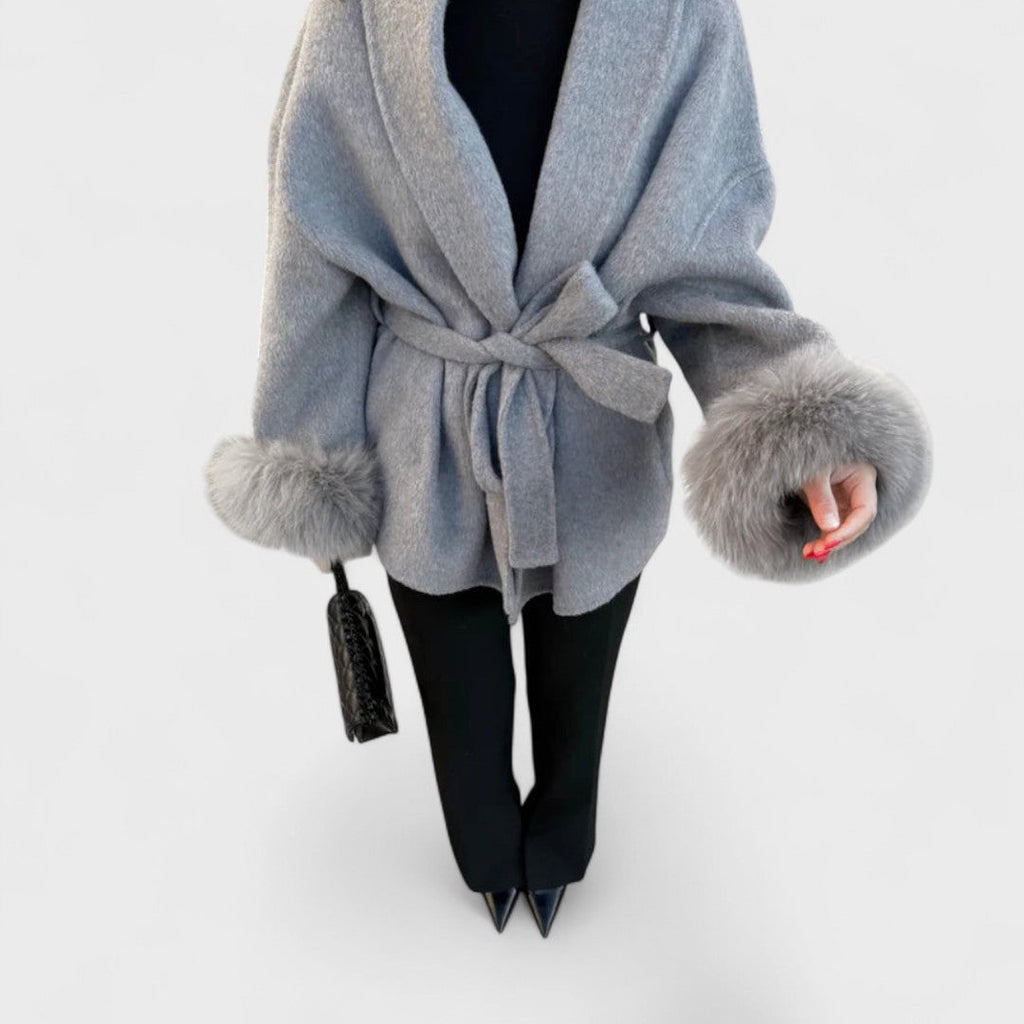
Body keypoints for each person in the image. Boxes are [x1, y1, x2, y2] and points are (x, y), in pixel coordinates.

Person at [204, 0, 933, 938]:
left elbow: (707, 258)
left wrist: (810, 437)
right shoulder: (363, 16)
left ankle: (559, 849)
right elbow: (313, 245)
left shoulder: (683, 16)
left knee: (576, 688)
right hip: (425, 443)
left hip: (597, 438)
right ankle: (485, 857)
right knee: (460, 700)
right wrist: (311, 454)